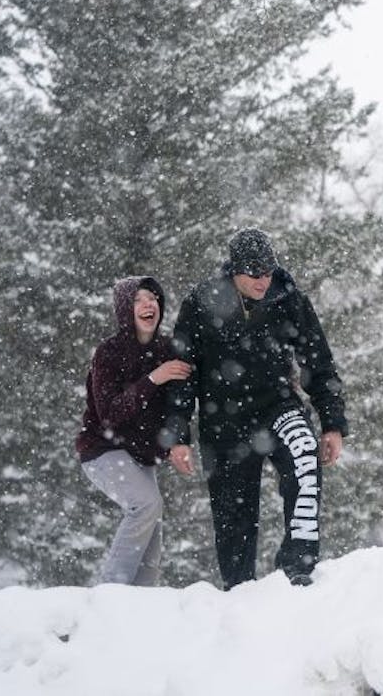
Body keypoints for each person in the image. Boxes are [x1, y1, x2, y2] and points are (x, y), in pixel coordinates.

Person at [163, 228, 348, 588]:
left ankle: (299, 566)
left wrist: (332, 424)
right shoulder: (200, 303)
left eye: (268, 272)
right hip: (224, 421)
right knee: (234, 517)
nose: (264, 281)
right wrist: (178, 435)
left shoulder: (287, 297)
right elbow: (182, 374)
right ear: (234, 271)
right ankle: (241, 592)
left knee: (304, 454)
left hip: (276, 407)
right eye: (254, 274)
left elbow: (319, 362)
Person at [76, 275, 193, 586]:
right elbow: (110, 415)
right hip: (102, 451)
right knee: (146, 505)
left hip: (142, 456)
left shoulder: (167, 350)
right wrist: (154, 378)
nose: (148, 304)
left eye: (153, 298)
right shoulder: (108, 352)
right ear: (125, 309)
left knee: (152, 534)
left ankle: (142, 607)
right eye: (140, 299)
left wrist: (178, 443)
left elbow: (177, 404)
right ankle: (111, 593)